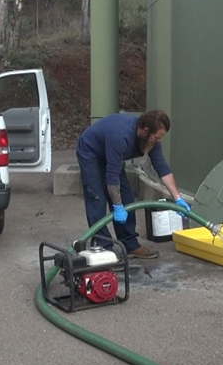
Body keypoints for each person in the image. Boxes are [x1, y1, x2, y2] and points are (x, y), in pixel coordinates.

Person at [76, 110, 191, 259]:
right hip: (91, 152)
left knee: (127, 197)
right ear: (145, 131)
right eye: (157, 137)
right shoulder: (120, 135)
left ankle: (130, 245)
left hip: (111, 155)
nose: (158, 141)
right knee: (97, 198)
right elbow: (112, 176)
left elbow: (162, 168)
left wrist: (177, 198)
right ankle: (103, 249)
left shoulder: (152, 141)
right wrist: (117, 206)